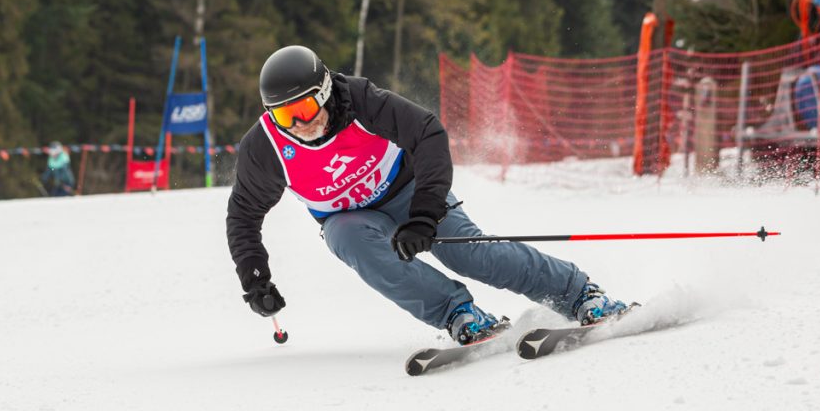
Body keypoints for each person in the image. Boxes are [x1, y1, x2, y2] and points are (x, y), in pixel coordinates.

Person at [225, 45, 630, 345]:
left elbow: (427, 133)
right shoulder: (266, 148)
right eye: (284, 115)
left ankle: (578, 293)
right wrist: (255, 277)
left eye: (305, 108)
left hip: (409, 191)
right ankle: (458, 313)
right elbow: (244, 213)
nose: (299, 123)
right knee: (346, 239)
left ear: (326, 92)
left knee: (468, 253)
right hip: (350, 218)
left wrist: (423, 214)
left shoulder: (360, 101)